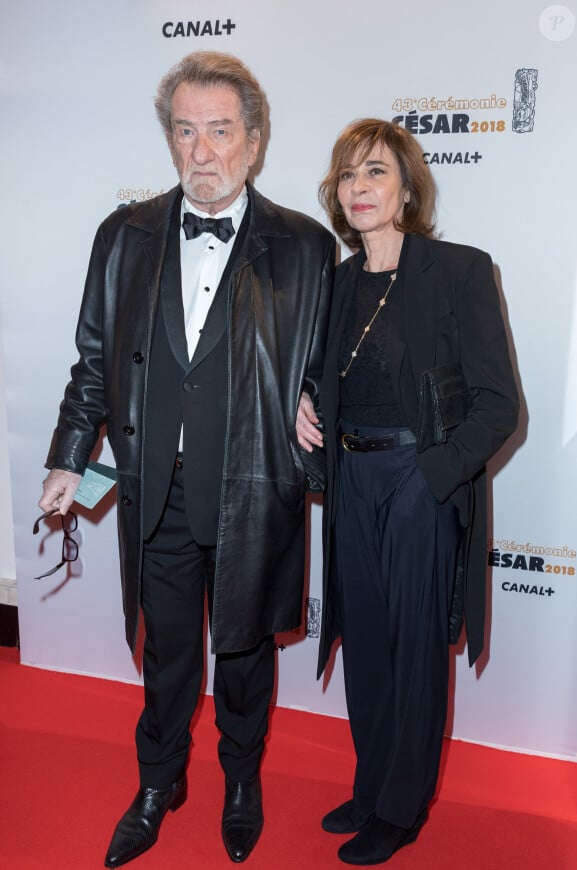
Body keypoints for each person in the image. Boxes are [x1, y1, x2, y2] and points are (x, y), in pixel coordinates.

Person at [38, 51, 334, 867]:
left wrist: (314, 400)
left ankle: (242, 781)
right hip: (153, 496)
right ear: (169, 139)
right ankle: (156, 785)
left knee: (241, 655)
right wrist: (70, 456)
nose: (201, 153)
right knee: (167, 655)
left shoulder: (305, 246)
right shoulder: (123, 235)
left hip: (250, 493)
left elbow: (325, 365)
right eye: (185, 132)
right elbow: (94, 363)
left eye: (220, 132)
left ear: (255, 140)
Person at [298, 119, 519, 865]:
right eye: (348, 176)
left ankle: (402, 806)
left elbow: (498, 403)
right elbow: (326, 375)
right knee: (364, 643)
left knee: (414, 648)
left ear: (407, 189)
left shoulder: (457, 271)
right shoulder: (331, 282)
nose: (359, 188)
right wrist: (305, 403)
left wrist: (434, 476)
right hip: (351, 481)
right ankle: (372, 783)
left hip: (419, 481)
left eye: (376, 173)